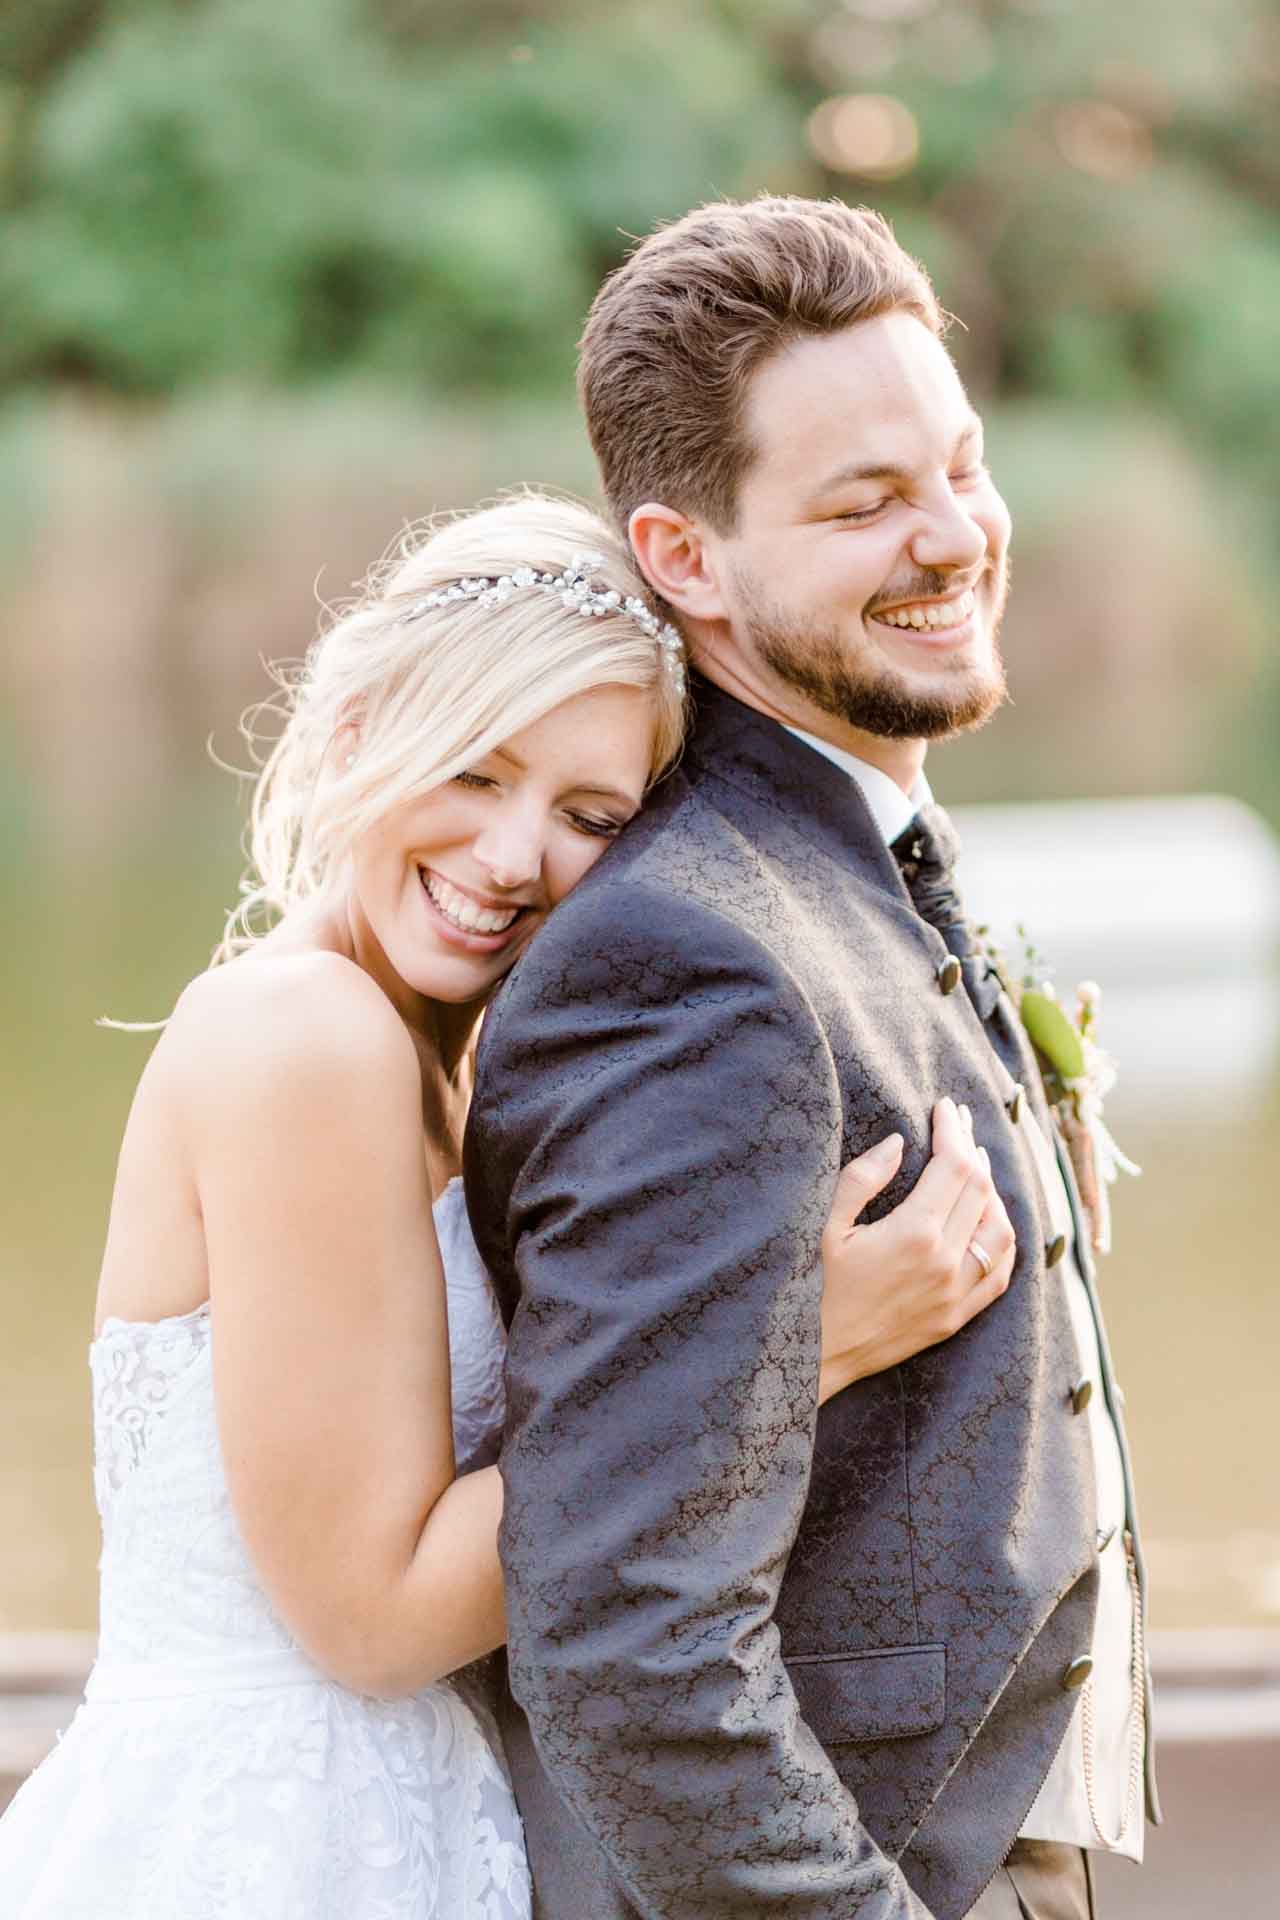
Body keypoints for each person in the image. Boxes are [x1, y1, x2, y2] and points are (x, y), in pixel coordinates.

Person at [0, 491, 1015, 1920]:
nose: (513, 857)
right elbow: (372, 1619)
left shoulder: (448, 1065)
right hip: (274, 1846)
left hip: (416, 1809)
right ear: (358, 732)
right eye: (475, 773)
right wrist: (799, 1346)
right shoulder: (308, 1038)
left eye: (589, 814)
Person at [463, 200, 1158, 1920]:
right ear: (685, 556)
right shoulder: (682, 959)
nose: (955, 537)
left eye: (961, 469)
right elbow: (631, 1640)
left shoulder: (858, 854)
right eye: (864, 505)